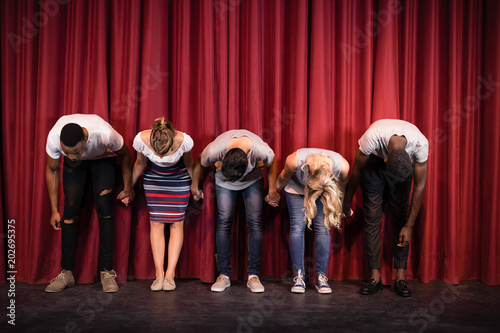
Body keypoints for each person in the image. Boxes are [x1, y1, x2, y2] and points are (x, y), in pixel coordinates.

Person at [45, 114, 135, 293]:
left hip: (103, 159)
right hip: (77, 168)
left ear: (85, 139)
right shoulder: (54, 138)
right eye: (67, 152)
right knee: (69, 211)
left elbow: (125, 155)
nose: (71, 156)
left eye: (76, 151)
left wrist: (128, 187)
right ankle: (66, 272)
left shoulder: (104, 133)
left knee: (104, 207)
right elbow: (52, 169)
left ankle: (106, 271)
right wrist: (54, 210)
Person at [343, 119, 428, 297]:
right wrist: (346, 202)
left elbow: (419, 186)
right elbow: (357, 172)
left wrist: (409, 226)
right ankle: (375, 277)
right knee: (372, 216)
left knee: (401, 215)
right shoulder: (372, 137)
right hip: (374, 165)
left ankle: (401, 276)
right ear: (387, 156)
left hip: (401, 168)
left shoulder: (420, 143)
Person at [191, 130, 280, 293]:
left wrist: (272, 189)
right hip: (224, 182)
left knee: (254, 222)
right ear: (223, 158)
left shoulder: (261, 150)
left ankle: (253, 275)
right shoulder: (215, 150)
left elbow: (271, 160)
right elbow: (199, 161)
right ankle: (224, 275)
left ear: (248, 159)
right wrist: (194, 186)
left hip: (252, 180)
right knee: (224, 221)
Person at [125, 118, 194, 292]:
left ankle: (170, 275)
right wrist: (128, 188)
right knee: (156, 223)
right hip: (154, 179)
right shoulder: (141, 139)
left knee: (177, 224)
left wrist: (195, 186)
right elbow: (140, 163)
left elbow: (189, 164)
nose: (162, 155)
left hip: (179, 179)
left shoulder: (184, 141)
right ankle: (159, 274)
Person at [275, 149, 349, 293]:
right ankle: (299, 276)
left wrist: (343, 204)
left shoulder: (342, 166)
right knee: (297, 227)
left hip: (324, 190)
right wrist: (273, 193)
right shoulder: (294, 161)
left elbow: (342, 185)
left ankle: (322, 277)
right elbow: (283, 178)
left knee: (323, 228)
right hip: (297, 189)